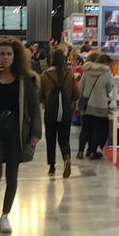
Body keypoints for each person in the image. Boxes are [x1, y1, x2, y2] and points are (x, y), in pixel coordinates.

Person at [0, 37, 42, 234]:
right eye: (2, 54)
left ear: (16, 56)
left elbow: (34, 108)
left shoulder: (26, 79)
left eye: (9, 54)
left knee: (12, 174)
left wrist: (36, 131)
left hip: (16, 130)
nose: (5, 57)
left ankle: (5, 215)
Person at [39, 47, 79, 177]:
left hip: (50, 111)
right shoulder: (69, 75)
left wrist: (45, 101)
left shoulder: (45, 75)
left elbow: (39, 96)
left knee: (50, 139)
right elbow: (76, 94)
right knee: (64, 139)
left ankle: (52, 166)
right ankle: (66, 158)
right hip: (66, 111)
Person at [77, 52, 115, 159]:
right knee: (96, 129)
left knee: (85, 128)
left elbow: (81, 88)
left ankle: (80, 151)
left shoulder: (87, 70)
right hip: (100, 104)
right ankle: (93, 152)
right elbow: (109, 90)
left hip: (86, 104)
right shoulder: (107, 73)